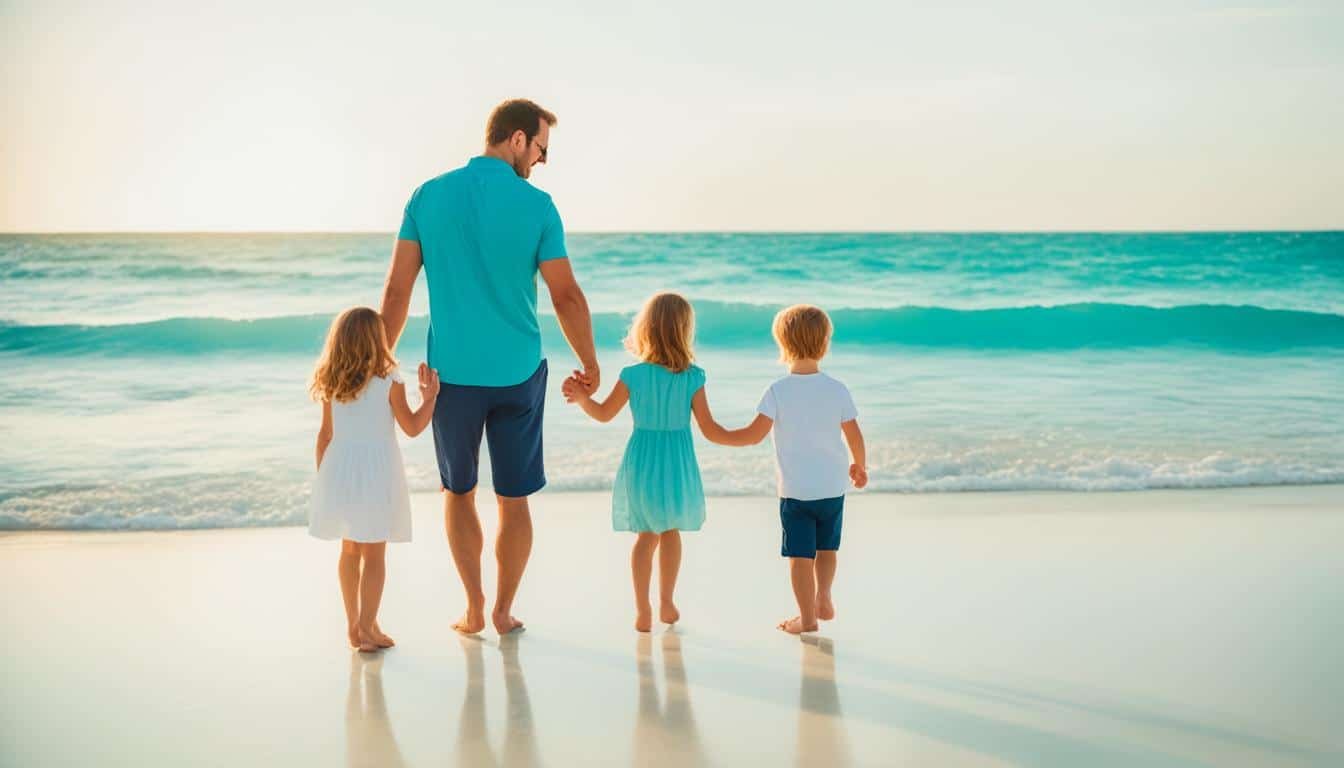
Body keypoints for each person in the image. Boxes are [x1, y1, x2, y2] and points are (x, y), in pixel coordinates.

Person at [379, 98, 598, 635]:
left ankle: (474, 607)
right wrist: (590, 362)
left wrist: (377, 361)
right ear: (517, 139)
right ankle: (502, 610)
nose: (542, 161)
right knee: (513, 495)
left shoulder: (426, 197)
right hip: (518, 373)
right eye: (542, 148)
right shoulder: (538, 206)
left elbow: (397, 289)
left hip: (450, 375)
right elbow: (566, 295)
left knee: (457, 492)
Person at [701, 305, 868, 634]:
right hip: (832, 488)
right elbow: (854, 435)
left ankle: (806, 617)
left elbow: (753, 436)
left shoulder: (777, 390)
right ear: (825, 343)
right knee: (827, 548)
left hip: (796, 491)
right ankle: (824, 596)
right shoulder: (837, 388)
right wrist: (859, 465)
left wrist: (717, 434)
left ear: (782, 344)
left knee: (799, 556)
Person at [561, 292, 717, 632]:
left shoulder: (633, 375)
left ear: (645, 330)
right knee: (671, 531)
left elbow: (603, 414)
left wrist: (582, 397)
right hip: (677, 462)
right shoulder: (694, 377)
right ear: (684, 331)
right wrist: (748, 434)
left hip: (643, 461)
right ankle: (666, 602)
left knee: (646, 535)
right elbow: (708, 427)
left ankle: (642, 609)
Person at [308, 307, 440, 651]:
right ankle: (367, 627)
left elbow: (324, 436)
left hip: (340, 471)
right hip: (377, 473)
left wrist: (325, 478)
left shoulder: (331, 382)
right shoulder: (390, 380)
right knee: (375, 554)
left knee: (350, 550)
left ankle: (356, 625)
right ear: (377, 340)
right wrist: (430, 399)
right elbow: (411, 427)